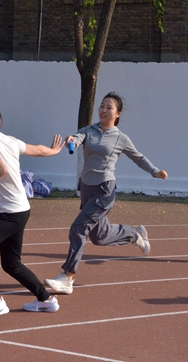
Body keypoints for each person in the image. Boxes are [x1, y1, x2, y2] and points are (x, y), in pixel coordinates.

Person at [45, 92, 168, 295]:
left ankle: (68, 277)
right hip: (86, 188)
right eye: (102, 106)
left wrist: (155, 171)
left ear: (117, 114)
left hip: (104, 190)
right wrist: (71, 140)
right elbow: (77, 138)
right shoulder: (89, 130)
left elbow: (138, 157)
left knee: (78, 229)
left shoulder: (121, 138)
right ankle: (134, 234)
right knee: (99, 237)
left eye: (109, 107)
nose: (103, 110)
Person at [0, 101, 63, 319]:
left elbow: (0, 170)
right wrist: (54, 151)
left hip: (10, 213)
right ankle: (46, 299)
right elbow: (38, 150)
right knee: (11, 264)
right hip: (21, 209)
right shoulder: (11, 141)